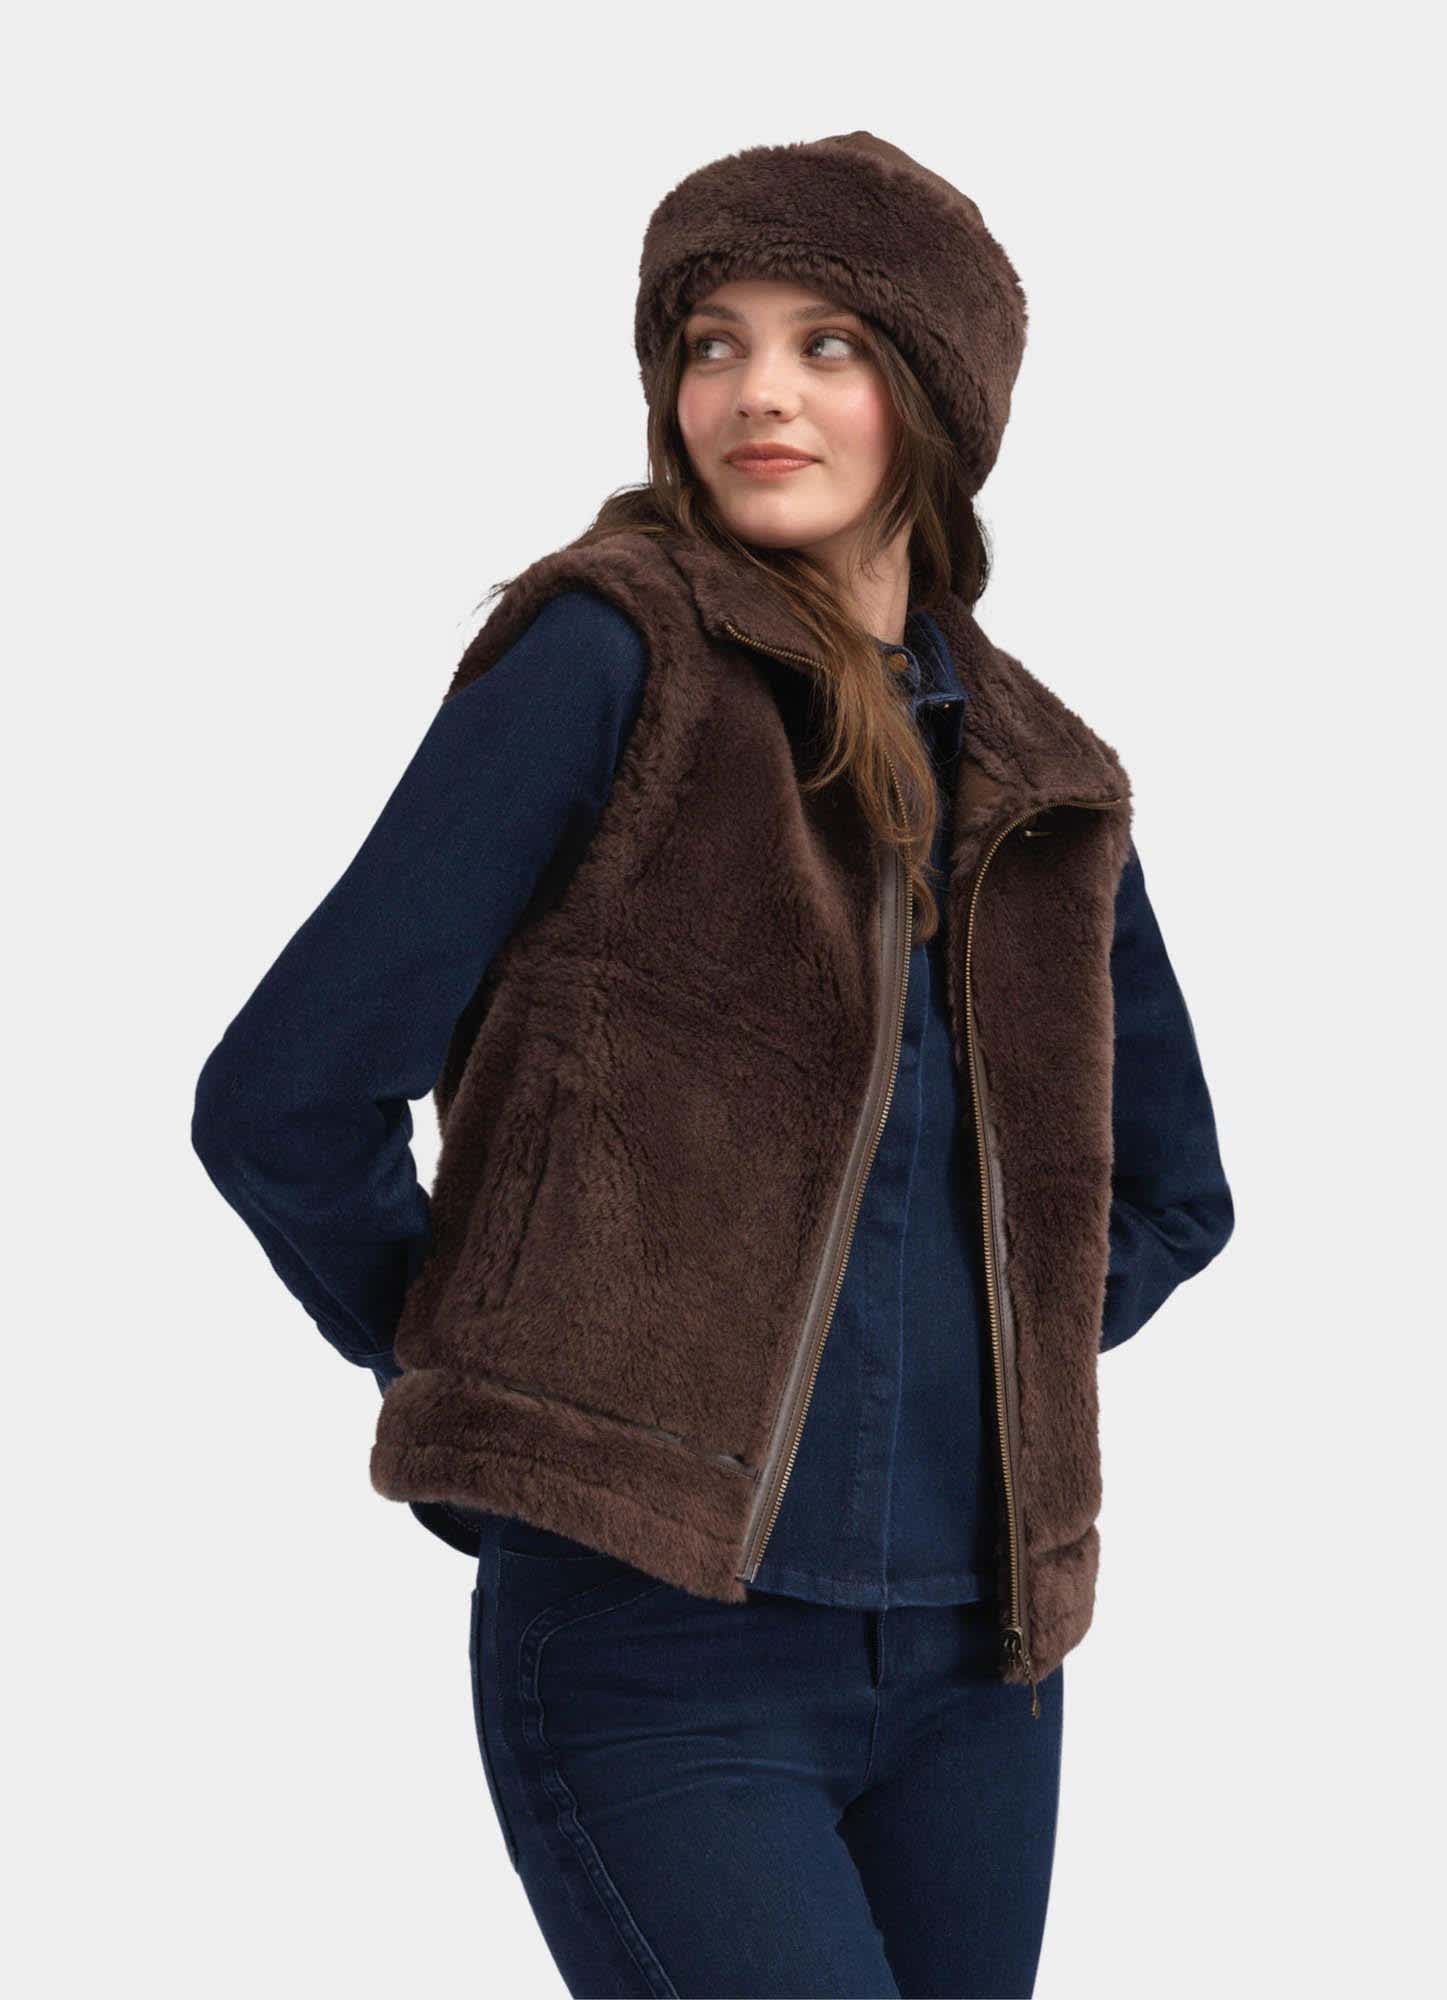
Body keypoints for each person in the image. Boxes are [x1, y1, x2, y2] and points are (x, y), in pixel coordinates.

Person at [192, 130, 1234, 2000]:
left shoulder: (1044, 778)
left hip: (983, 1670)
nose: (759, 391)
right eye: (712, 342)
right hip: (653, 1639)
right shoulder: (615, 658)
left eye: (830, 344)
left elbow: (1171, 1194)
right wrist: (503, 1382)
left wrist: (973, 1360)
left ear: (937, 397)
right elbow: (284, 1093)